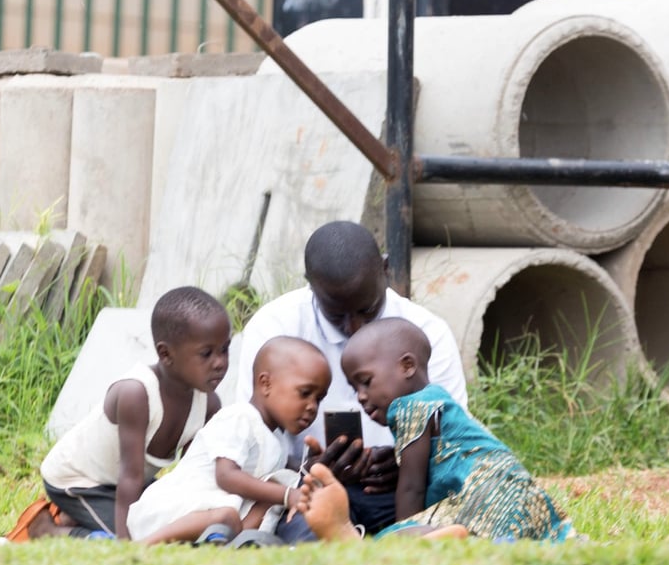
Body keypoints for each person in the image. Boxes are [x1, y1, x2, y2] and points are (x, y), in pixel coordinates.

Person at [236, 220, 467, 538]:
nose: (354, 327)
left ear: (385, 269)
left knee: (455, 522)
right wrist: (310, 469)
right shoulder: (275, 328)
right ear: (310, 285)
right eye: (336, 314)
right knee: (301, 537)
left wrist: (406, 462)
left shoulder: (427, 333)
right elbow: (251, 441)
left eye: (367, 309)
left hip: (402, 491)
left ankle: (390, 542)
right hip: (308, 489)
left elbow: (453, 442)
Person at [5, 286, 230, 542]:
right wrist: (128, 542)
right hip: (78, 479)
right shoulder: (136, 394)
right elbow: (130, 477)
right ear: (166, 354)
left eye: (225, 349)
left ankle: (79, 516)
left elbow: (191, 475)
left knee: (171, 522)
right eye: (207, 353)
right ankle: (48, 530)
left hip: (123, 484)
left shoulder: (209, 405)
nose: (220, 362)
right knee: (144, 532)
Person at [339, 317, 576, 542]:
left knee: (386, 540)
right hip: (519, 495)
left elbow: (411, 488)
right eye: (354, 388)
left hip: (480, 498)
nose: (360, 396)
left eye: (366, 381)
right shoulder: (439, 398)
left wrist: (404, 533)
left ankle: (440, 541)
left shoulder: (409, 408)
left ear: (407, 366)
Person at [126, 336, 331, 544]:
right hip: (176, 509)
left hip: (219, 518)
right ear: (266, 383)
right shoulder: (240, 417)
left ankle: (223, 546)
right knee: (229, 516)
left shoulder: (276, 440)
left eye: (319, 398)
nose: (312, 406)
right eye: (305, 393)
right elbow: (225, 476)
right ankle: (145, 545)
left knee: (265, 504)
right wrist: (288, 494)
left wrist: (311, 471)